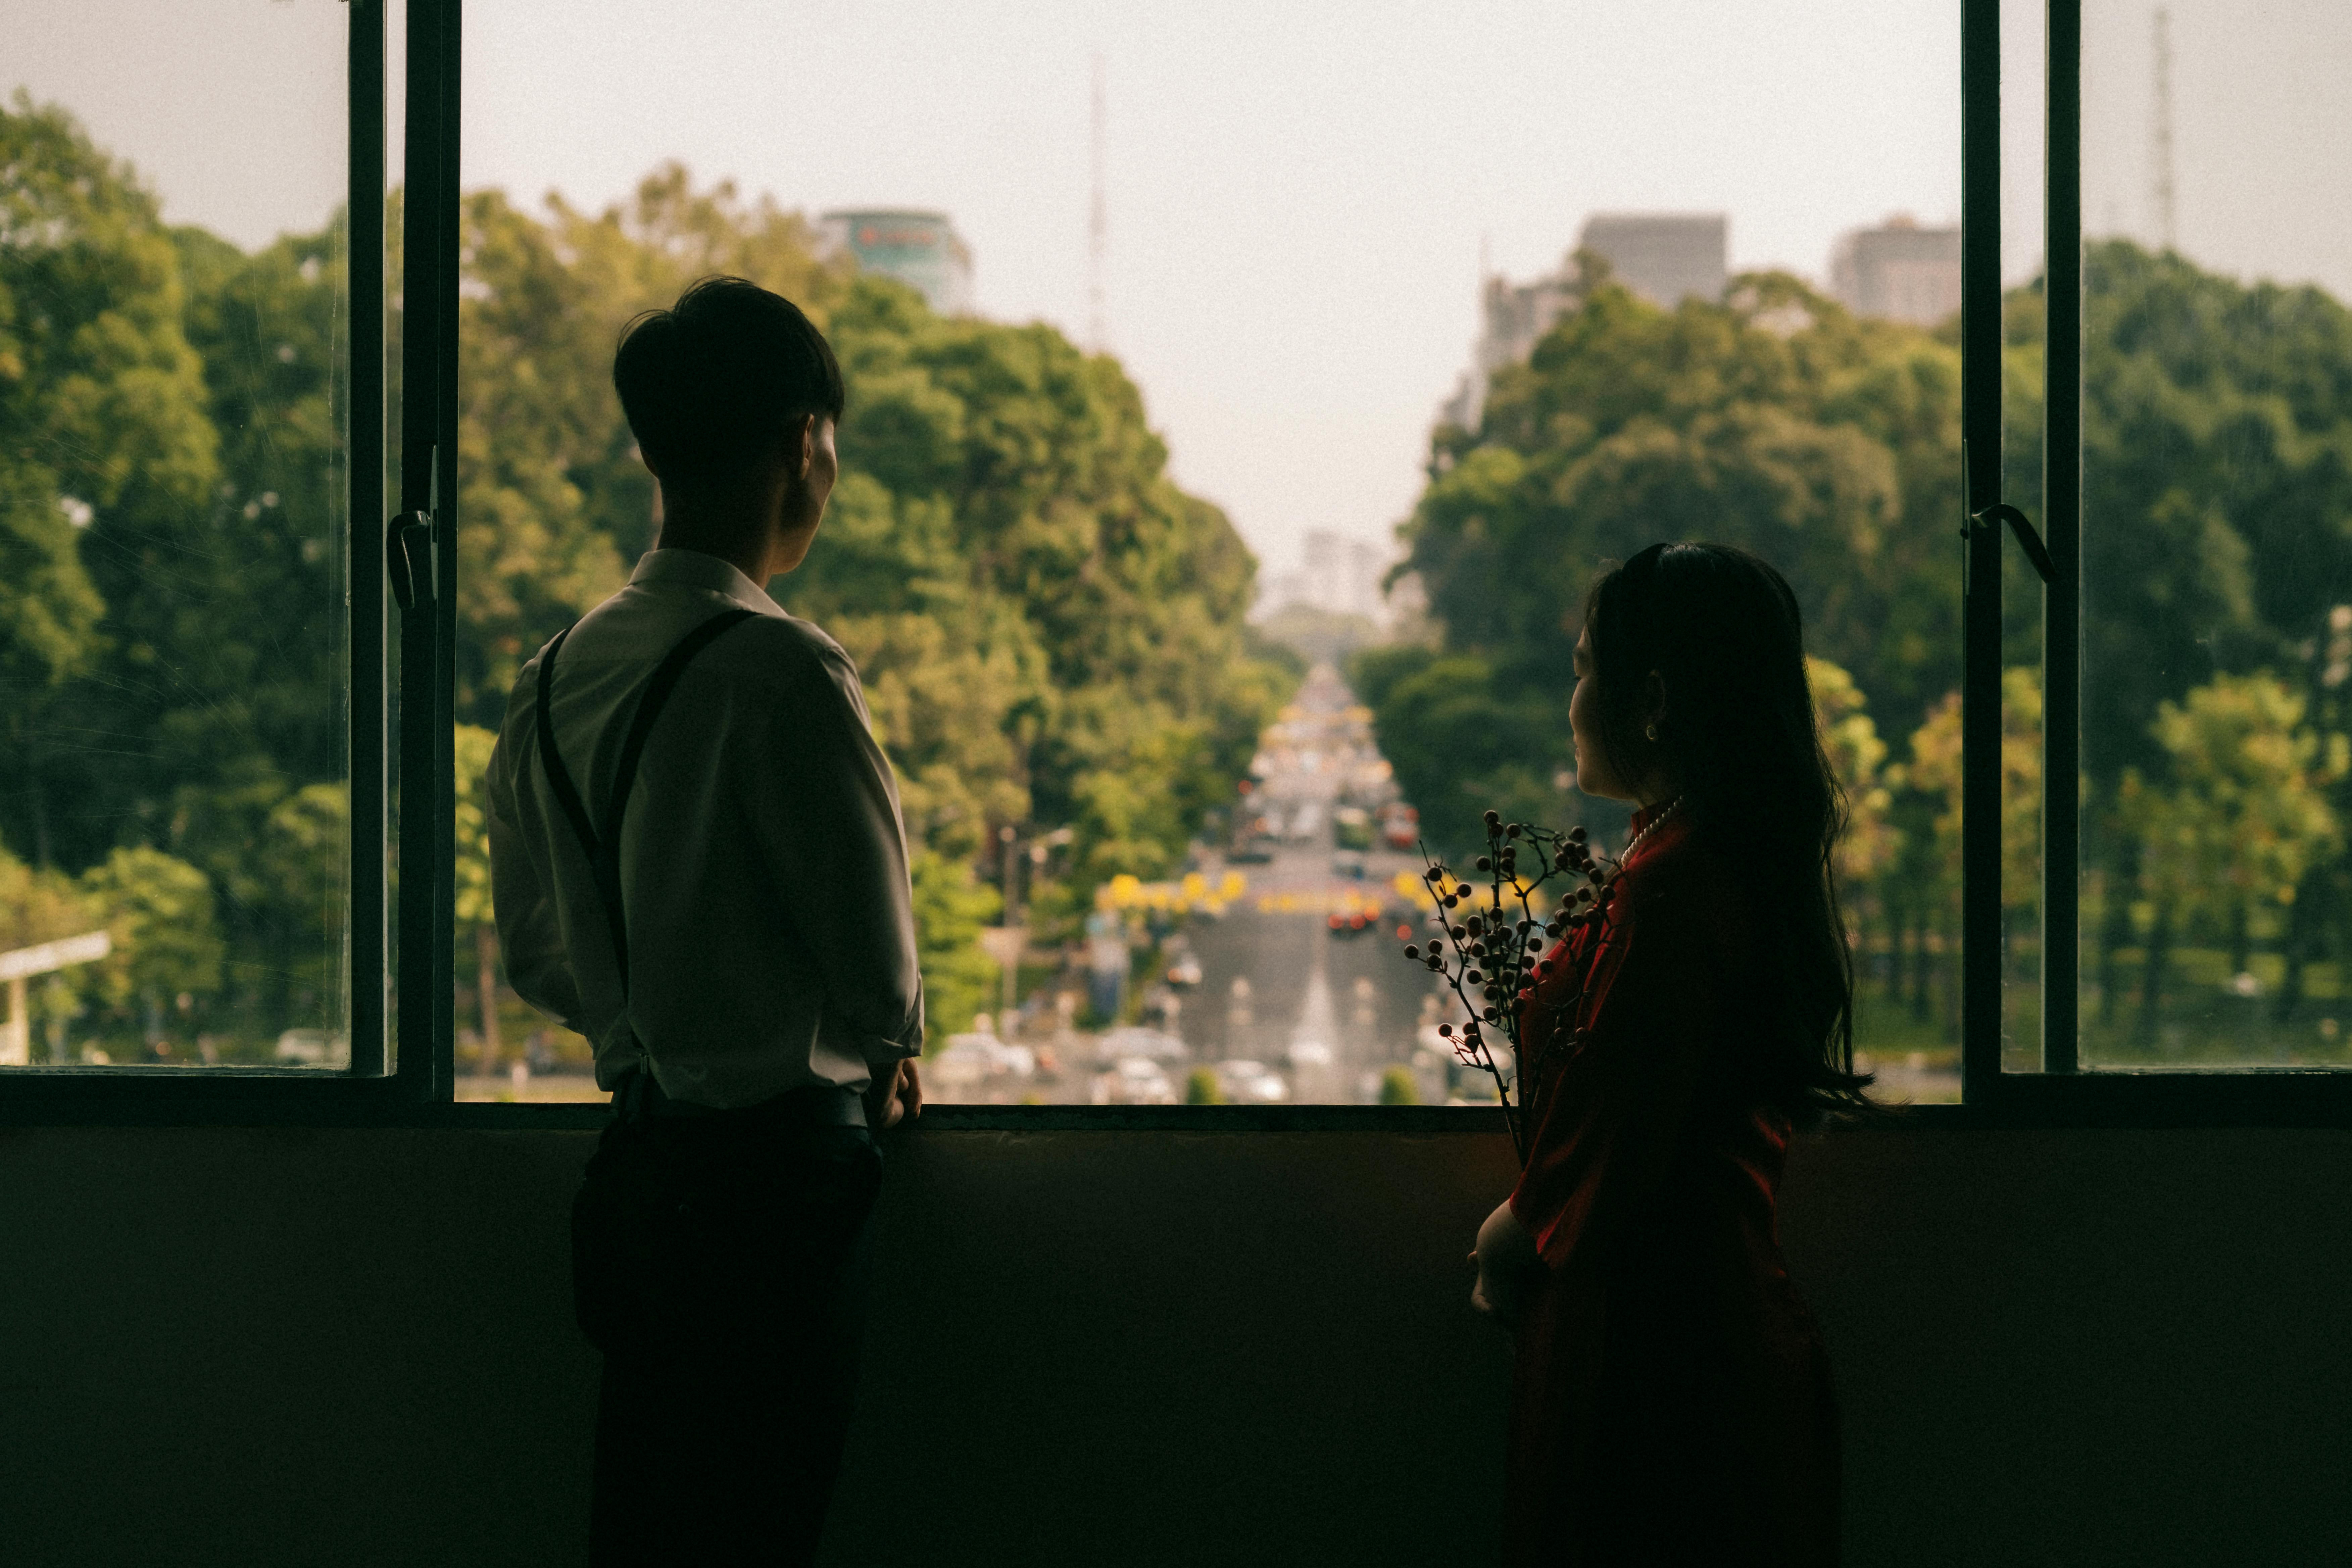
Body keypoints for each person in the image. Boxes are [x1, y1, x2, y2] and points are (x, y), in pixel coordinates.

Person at [485, 276, 924, 1566]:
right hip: (781, 1195)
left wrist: (653, 1010)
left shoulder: (552, 674)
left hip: (639, 1185)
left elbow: (540, 954)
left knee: (650, 1529)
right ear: (804, 440)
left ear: (649, 448)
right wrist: (878, 1050)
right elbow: (880, 976)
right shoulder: (785, 670)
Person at [1469, 542, 1866, 1566]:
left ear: (1650, 700)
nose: (1572, 699)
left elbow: (1623, 1127)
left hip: (1662, 1357)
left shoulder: (1675, 884)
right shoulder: (1685, 855)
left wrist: (1517, 1228)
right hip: (1685, 1330)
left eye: (1582, 668)